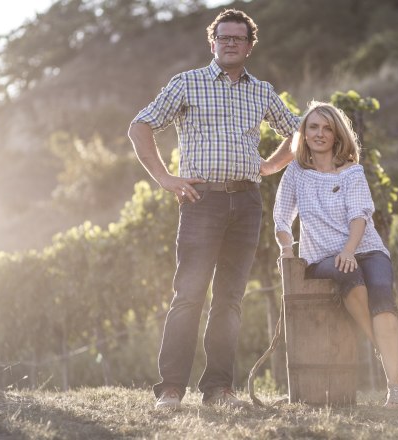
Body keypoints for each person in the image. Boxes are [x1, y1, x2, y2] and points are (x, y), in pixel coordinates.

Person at [128, 9, 300, 410]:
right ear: (212, 43)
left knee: (230, 299)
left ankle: (219, 391)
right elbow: (140, 125)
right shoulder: (186, 83)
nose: (229, 43)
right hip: (201, 201)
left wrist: (271, 165)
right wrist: (165, 178)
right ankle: (171, 389)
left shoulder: (262, 92)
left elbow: (296, 132)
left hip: (247, 202)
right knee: (188, 294)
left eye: (237, 38)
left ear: (249, 46)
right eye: (223, 38)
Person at [273, 101, 398, 407]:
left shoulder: (352, 171)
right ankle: (383, 351)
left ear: (337, 136)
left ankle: (395, 391)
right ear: (304, 133)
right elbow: (282, 217)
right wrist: (286, 250)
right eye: (313, 127)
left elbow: (360, 215)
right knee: (347, 273)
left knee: (382, 298)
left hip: (364, 247)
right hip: (323, 256)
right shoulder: (296, 172)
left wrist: (350, 249)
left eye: (327, 128)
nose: (320, 134)